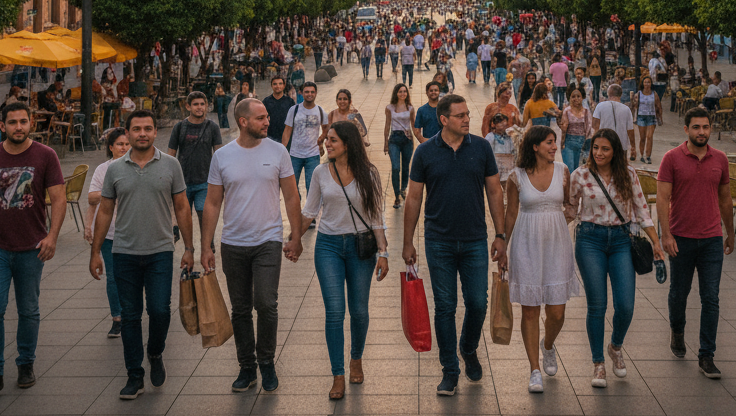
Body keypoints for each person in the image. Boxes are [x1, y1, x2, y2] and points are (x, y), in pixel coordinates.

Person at [0, 102, 66, 402]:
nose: (18, 127)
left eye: (23, 121)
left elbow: (58, 199)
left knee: (29, 309)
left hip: (32, 247)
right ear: (2, 125)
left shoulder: (46, 155)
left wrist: (52, 237)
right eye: (12, 122)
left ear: (30, 123)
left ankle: (25, 364)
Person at [402, 94, 507, 396]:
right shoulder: (424, 152)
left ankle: (468, 348)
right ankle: (450, 370)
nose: (466, 119)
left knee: (477, 303)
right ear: (443, 119)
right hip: (439, 241)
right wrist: (408, 242)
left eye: (467, 115)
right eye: (459, 115)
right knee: (445, 307)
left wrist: (500, 234)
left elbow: (494, 191)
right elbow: (413, 197)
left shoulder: (481, 147)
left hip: (475, 238)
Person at [202, 99, 304, 393]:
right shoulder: (223, 157)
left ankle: (267, 361)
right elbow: (212, 202)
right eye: (261, 118)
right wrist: (205, 245)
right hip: (233, 243)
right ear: (243, 122)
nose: (267, 121)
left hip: (268, 241)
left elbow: (292, 196)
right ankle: (247, 367)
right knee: (241, 308)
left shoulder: (278, 151)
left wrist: (295, 236)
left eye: (267, 116)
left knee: (266, 303)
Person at [90, 110, 193, 399]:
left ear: (155, 132)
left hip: (160, 250)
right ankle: (134, 375)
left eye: (148, 128)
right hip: (124, 252)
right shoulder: (114, 169)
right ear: (128, 132)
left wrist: (189, 248)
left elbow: (183, 207)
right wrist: (96, 251)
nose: (143, 133)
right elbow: (105, 210)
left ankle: (156, 352)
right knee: (130, 317)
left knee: (160, 310)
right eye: (137, 129)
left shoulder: (171, 165)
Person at [566, 128, 665, 388]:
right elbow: (568, 209)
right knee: (597, 305)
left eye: (605, 149)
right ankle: (598, 364)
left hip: (622, 240)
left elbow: (642, 210)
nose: (599, 153)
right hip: (589, 239)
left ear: (615, 152)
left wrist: (656, 242)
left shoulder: (628, 174)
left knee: (625, 305)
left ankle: (615, 346)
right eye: (595, 148)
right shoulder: (580, 175)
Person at [299, 120, 388, 400]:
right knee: (335, 312)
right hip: (328, 246)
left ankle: (356, 358)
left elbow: (376, 216)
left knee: (359, 311)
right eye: (327, 139)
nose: (327, 143)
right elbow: (310, 211)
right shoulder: (320, 172)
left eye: (333, 140)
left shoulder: (369, 174)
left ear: (347, 144)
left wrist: (383, 252)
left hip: (361, 247)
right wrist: (292, 239)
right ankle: (338, 374)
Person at [656, 107, 735, 379]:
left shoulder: (720, 159)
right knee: (679, 294)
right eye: (696, 127)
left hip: (712, 239)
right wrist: (665, 235)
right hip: (681, 239)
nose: (701, 132)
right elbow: (662, 199)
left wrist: (730, 232)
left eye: (705, 127)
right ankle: (677, 331)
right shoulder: (671, 158)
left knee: (710, 298)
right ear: (686, 130)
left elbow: (725, 199)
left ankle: (706, 355)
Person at [504, 124, 578, 393]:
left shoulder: (563, 171)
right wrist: (502, 244)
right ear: (534, 146)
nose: (554, 146)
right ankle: (534, 369)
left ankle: (548, 345)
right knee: (530, 308)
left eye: (554, 142)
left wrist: (564, 216)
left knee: (557, 311)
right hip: (526, 241)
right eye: (549, 142)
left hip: (557, 242)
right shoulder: (517, 176)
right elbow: (511, 213)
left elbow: (570, 203)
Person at [84, 128, 130, 339]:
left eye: (127, 144)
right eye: (120, 144)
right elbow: (92, 197)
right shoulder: (103, 169)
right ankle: (117, 318)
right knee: (112, 277)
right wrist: (88, 226)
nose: (124, 148)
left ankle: (132, 315)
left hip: (135, 231)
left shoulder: (139, 166)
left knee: (133, 277)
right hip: (109, 233)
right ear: (111, 147)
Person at [167, 91, 223, 251]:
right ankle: (188, 249)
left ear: (207, 106)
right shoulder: (179, 128)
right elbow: (171, 155)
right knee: (184, 219)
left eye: (202, 104)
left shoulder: (212, 127)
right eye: (195, 104)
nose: (199, 108)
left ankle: (208, 248)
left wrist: (221, 181)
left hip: (205, 182)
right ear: (188, 106)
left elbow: (219, 154)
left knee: (204, 215)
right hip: (182, 184)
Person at [281, 82, 328, 209]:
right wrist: (282, 150)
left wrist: (321, 141)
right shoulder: (294, 110)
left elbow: (326, 129)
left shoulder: (320, 111)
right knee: (292, 187)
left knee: (312, 186)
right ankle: (297, 211)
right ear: (301, 93)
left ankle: (310, 216)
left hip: (313, 155)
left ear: (316, 93)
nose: (310, 94)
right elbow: (287, 131)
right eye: (307, 92)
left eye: (312, 92)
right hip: (295, 155)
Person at [384, 84, 416, 209]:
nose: (402, 93)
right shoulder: (390, 108)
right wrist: (385, 142)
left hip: (407, 139)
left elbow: (414, 125)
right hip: (394, 139)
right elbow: (387, 125)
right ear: (396, 93)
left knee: (405, 167)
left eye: (404, 91)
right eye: (400, 91)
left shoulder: (410, 108)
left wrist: (418, 138)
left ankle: (403, 189)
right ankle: (397, 195)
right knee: (396, 167)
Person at [593, 84, 636, 162]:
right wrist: (633, 147)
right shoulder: (626, 109)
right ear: (621, 94)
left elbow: (595, 126)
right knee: (620, 170)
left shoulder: (600, 106)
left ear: (608, 93)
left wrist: (594, 144)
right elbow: (630, 130)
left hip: (603, 144)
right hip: (621, 145)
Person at [559, 85, 593, 172]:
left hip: (582, 144)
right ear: (570, 98)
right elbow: (564, 129)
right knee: (570, 171)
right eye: (573, 96)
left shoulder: (586, 112)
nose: (576, 99)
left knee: (580, 171)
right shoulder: (567, 111)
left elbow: (588, 128)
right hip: (569, 143)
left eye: (578, 96)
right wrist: (562, 143)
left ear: (582, 98)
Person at [630, 76, 663, 165]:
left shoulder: (654, 94)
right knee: (643, 138)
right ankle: (642, 155)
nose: (647, 84)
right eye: (645, 82)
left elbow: (659, 105)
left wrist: (660, 117)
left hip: (651, 117)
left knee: (650, 137)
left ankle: (648, 156)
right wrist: (632, 100)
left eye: (648, 82)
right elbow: (634, 105)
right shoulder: (639, 94)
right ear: (643, 84)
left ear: (651, 83)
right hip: (641, 116)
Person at [486, 113, 517, 194]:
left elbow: (514, 149)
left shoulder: (509, 136)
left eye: (505, 124)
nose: (504, 126)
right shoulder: (490, 137)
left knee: (508, 188)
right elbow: (488, 152)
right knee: (496, 189)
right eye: (501, 124)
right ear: (494, 125)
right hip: (497, 165)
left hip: (508, 165)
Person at [263, 76, 296, 145]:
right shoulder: (266, 102)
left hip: (288, 140)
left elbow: (295, 120)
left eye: (280, 84)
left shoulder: (290, 102)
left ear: (284, 86)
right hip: (270, 138)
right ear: (271, 86)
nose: (277, 86)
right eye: (275, 84)